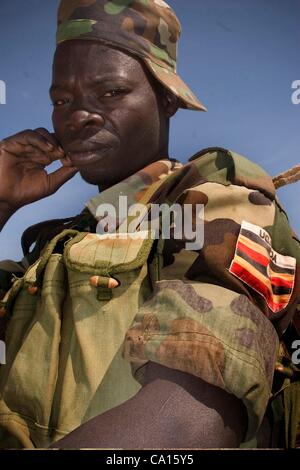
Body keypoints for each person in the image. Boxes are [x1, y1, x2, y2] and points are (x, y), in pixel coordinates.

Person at [0, 0, 299, 449]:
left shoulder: (215, 203)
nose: (78, 115)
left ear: (167, 98)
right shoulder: (49, 248)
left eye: (110, 93)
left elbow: (188, 421)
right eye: (62, 99)